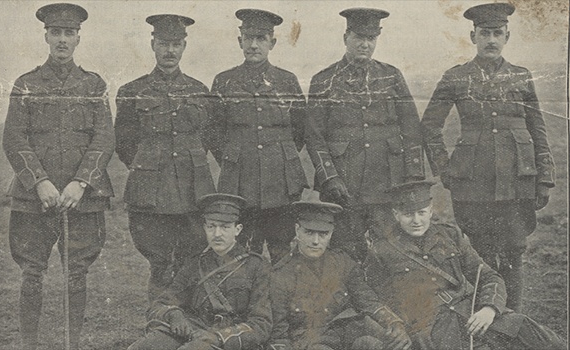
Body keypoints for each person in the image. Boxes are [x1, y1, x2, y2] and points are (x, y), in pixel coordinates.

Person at [420, 3, 556, 312]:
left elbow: (538, 128)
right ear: (473, 36)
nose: (491, 40)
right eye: (485, 33)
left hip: (517, 181)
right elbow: (429, 125)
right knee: (477, 254)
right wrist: (446, 169)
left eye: (497, 33)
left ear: (507, 36)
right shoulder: (456, 77)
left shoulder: (521, 76)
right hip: (473, 185)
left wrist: (544, 178)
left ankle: (513, 322)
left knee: (514, 253)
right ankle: (483, 322)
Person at [2, 3, 115, 349]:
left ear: (78, 38)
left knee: (77, 274)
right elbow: (13, 137)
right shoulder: (26, 84)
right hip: (34, 198)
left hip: (82, 198)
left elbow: (104, 137)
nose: (62, 40)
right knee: (32, 274)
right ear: (46, 36)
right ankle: (29, 344)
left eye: (69, 33)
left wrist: (81, 183)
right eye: (56, 33)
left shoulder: (94, 85)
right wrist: (40, 181)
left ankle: (73, 344)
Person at [364, 181, 565, 350]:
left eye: (421, 212)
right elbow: (373, 299)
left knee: (542, 338)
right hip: (433, 328)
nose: (416, 220)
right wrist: (396, 325)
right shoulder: (382, 250)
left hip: (472, 313)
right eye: (408, 215)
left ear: (431, 210)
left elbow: (488, 276)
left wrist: (489, 307)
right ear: (395, 214)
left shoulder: (450, 235)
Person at [305, 8, 424, 263]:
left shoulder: (392, 76)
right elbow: (314, 136)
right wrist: (329, 177)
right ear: (345, 37)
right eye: (359, 37)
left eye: (371, 39)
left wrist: (412, 176)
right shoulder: (323, 80)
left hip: (387, 183)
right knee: (344, 251)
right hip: (344, 185)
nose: (365, 44)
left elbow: (411, 128)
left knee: (390, 250)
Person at [115, 14, 215, 301]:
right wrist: (150, 168)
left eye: (175, 44)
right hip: (150, 195)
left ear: (184, 46)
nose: (169, 51)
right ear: (152, 44)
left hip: (192, 192)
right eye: (163, 43)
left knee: (191, 261)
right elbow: (125, 144)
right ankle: (158, 324)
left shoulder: (200, 91)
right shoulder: (132, 92)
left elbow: (208, 138)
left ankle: (188, 326)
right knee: (159, 264)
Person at [208, 9, 308, 264]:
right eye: (248, 38)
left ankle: (280, 303)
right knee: (240, 250)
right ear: (239, 40)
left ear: (272, 43)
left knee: (281, 249)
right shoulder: (224, 81)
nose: (254, 45)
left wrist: (278, 158)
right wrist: (235, 159)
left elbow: (300, 129)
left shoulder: (287, 81)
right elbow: (213, 130)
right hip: (239, 181)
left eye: (261, 38)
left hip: (280, 183)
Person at [269, 191, 412, 350]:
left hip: (347, 331)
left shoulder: (342, 261)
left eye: (323, 234)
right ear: (297, 230)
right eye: (309, 232)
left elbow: (366, 298)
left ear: (331, 233)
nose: (316, 241)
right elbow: (278, 333)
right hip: (310, 341)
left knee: (388, 344)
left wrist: (393, 322)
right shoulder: (280, 274)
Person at [128, 193, 272, 350]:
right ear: (205, 228)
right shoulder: (196, 263)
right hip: (194, 329)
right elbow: (161, 303)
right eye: (211, 226)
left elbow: (261, 324)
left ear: (237, 229)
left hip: (228, 339)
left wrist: (219, 337)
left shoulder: (256, 266)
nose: (217, 234)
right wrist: (173, 314)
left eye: (225, 227)